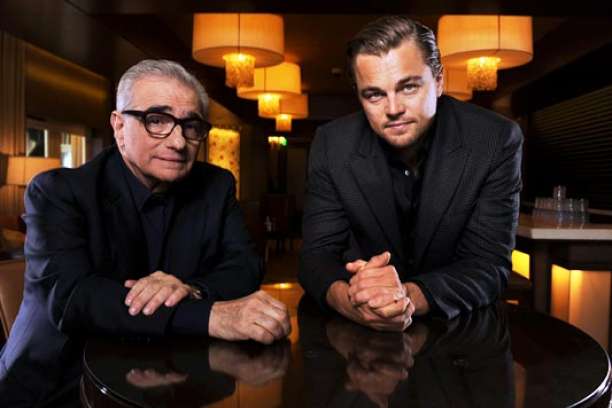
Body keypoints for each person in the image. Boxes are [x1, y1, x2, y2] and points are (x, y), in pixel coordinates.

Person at [0, 59, 290, 402]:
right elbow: (73, 299)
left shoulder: (216, 185)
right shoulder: (58, 191)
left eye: (190, 125)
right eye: (157, 120)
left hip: (164, 376)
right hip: (57, 380)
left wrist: (191, 289)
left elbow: (245, 266)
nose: (178, 141)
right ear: (119, 126)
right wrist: (209, 316)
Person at [299, 16, 522, 331]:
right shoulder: (332, 144)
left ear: (439, 81)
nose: (393, 109)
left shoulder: (495, 140)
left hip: (458, 331)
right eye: (374, 94)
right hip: (356, 333)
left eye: (408, 87)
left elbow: (488, 264)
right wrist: (354, 303)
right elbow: (316, 257)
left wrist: (405, 297)